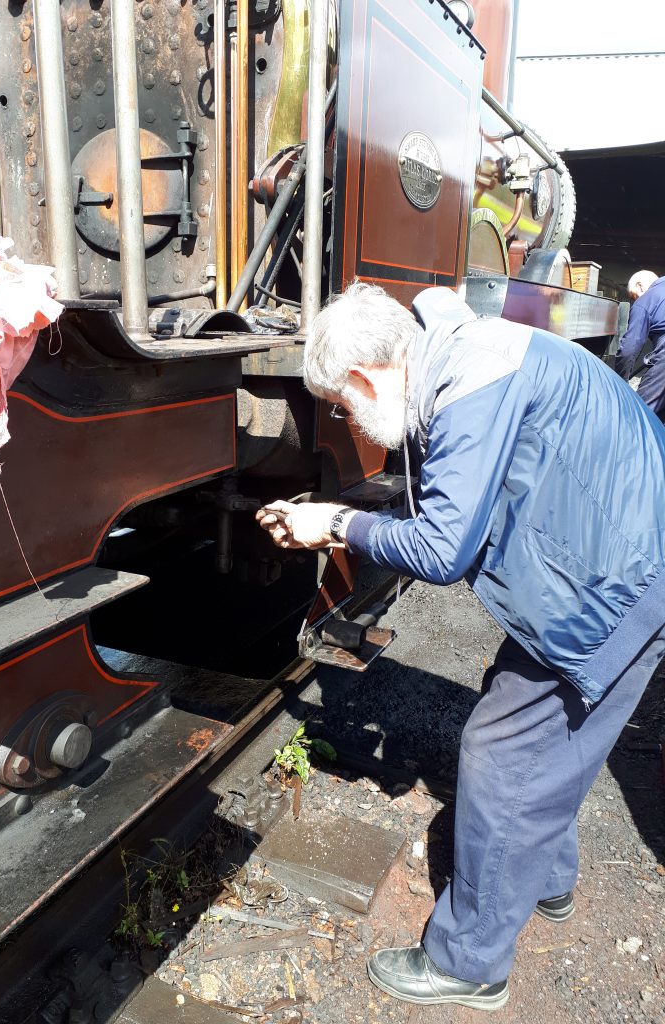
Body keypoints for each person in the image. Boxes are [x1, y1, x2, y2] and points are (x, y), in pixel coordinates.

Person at [257, 282, 665, 1012]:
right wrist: (346, 511)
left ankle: (469, 963)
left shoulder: (471, 385)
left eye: (344, 405)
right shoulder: (460, 353)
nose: (350, 420)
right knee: (558, 738)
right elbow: (454, 491)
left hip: (618, 580)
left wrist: (338, 526)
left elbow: (445, 548)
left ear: (365, 375)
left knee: (500, 758)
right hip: (625, 556)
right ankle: (546, 879)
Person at [614, 269, 665, 421]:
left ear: (640, 285)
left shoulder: (647, 298)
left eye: (633, 296)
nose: (635, 301)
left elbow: (629, 348)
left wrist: (619, 382)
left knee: (638, 416)